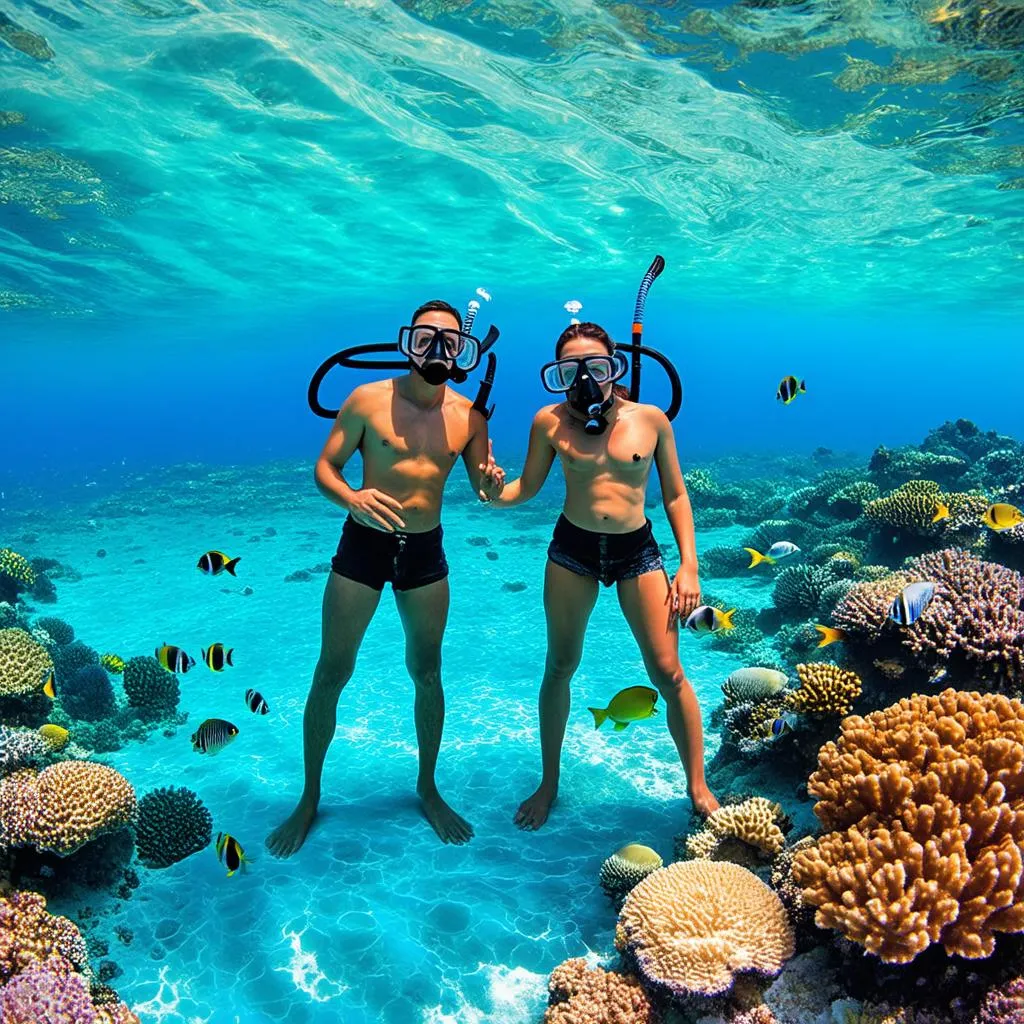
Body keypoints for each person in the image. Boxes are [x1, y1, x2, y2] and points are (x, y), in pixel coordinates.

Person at [267, 299, 503, 856]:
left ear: (463, 350)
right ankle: (309, 797)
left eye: (449, 341)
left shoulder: (471, 416)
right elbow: (325, 468)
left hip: (425, 553)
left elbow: (485, 490)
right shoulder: (368, 400)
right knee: (332, 672)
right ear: (407, 343)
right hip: (363, 544)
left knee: (427, 671)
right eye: (426, 339)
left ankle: (427, 786)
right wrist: (351, 497)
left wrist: (492, 480)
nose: (437, 351)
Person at [478, 321, 719, 829]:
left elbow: (675, 494)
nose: (584, 379)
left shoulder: (650, 420)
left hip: (638, 552)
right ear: (557, 375)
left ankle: (698, 788)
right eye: (570, 369)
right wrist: (493, 490)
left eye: (597, 366)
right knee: (560, 665)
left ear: (616, 367)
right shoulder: (549, 422)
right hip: (573, 551)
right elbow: (524, 489)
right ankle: (549, 784)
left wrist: (689, 564)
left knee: (668, 671)